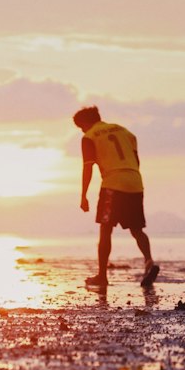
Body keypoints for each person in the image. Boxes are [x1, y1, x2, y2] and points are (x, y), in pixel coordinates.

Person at [73, 105, 159, 291]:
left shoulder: (89, 137)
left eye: (81, 127)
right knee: (137, 229)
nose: (81, 130)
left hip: (112, 184)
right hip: (135, 181)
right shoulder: (125, 131)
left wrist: (83, 195)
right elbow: (136, 161)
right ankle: (149, 261)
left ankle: (102, 276)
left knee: (105, 229)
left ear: (86, 123)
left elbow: (87, 166)